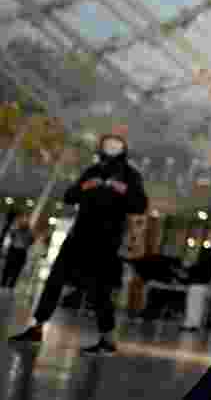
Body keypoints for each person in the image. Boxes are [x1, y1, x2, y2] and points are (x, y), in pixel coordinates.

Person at [9, 133, 148, 355]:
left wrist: (122, 190)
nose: (110, 149)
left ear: (123, 150)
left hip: (105, 242)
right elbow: (69, 196)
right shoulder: (92, 172)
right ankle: (36, 327)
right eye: (107, 145)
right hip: (78, 237)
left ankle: (107, 340)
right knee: (55, 280)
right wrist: (86, 186)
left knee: (99, 290)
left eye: (116, 146)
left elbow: (140, 204)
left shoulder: (131, 176)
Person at [2, 215, 35, 289]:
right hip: (15, 251)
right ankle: (5, 283)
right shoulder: (16, 230)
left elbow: (31, 242)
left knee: (15, 269)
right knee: (9, 268)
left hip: (20, 252)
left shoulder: (28, 233)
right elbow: (11, 237)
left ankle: (9, 285)